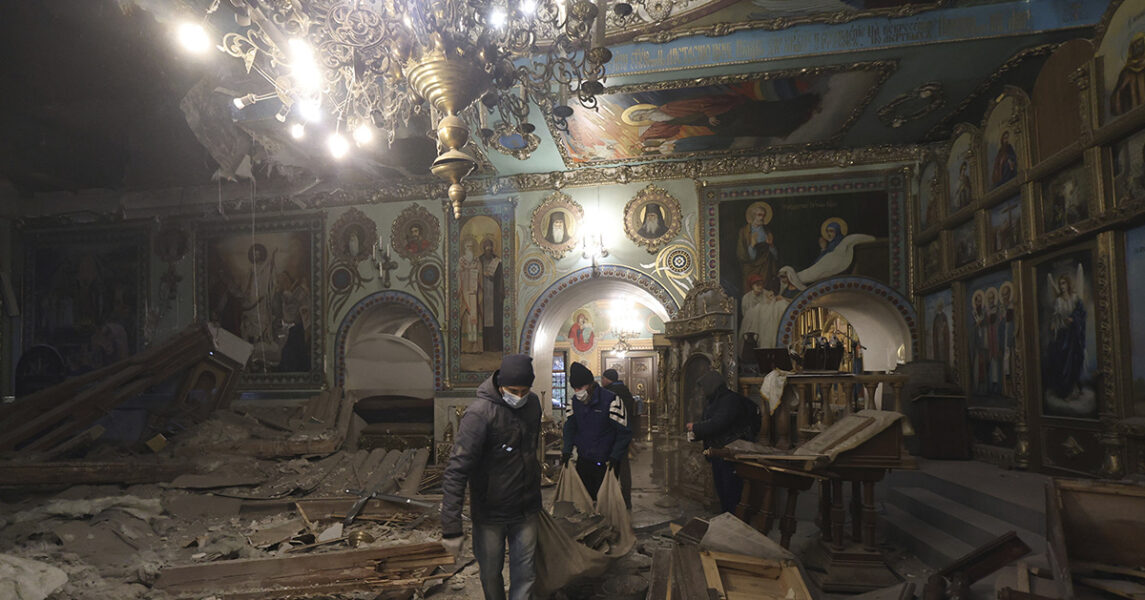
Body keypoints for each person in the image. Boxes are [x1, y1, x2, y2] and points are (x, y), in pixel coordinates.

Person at [441, 354, 542, 600]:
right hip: (490, 514)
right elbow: (457, 470)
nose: (519, 397)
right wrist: (451, 527)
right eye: (513, 390)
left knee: (526, 574)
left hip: (526, 509)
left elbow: (529, 450)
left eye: (524, 390)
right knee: (490, 573)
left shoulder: (533, 405)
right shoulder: (479, 414)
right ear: (500, 385)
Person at [562, 362, 632, 501]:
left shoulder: (611, 400)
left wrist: (615, 455)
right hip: (584, 459)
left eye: (580, 387)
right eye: (574, 388)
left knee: (605, 500)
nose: (577, 392)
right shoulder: (573, 403)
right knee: (585, 499)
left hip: (605, 460)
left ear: (590, 384)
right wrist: (566, 449)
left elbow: (624, 432)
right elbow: (570, 428)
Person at [687, 371, 753, 514]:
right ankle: (727, 519)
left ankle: (734, 522)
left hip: (730, 454)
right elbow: (710, 423)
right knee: (722, 490)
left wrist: (696, 427)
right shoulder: (714, 401)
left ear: (712, 386)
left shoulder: (730, 400)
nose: (703, 391)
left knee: (731, 491)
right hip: (718, 452)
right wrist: (696, 434)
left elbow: (719, 423)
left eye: (704, 387)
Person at [601, 368, 637, 509]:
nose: (602, 381)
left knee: (611, 467)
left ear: (607, 379)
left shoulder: (610, 393)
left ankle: (612, 499)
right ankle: (626, 500)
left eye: (603, 378)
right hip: (625, 433)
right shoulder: (625, 391)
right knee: (624, 467)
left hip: (613, 435)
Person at [736, 203, 778, 293]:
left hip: (765, 267)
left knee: (765, 290)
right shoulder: (744, 232)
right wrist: (752, 246)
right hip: (750, 268)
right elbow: (741, 254)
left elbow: (775, 256)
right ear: (753, 215)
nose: (761, 218)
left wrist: (771, 245)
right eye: (759, 215)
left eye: (763, 215)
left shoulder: (767, 231)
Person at [479, 238, 504, 352]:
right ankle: (484, 346)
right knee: (483, 320)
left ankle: (495, 346)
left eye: (490, 247)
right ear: (483, 248)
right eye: (486, 247)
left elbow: (500, 278)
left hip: (493, 295)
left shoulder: (497, 261)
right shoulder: (479, 260)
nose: (488, 249)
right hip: (482, 294)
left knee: (495, 320)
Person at [1111, 32, 1145, 116]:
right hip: (1135, 118)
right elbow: (1117, 96)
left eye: (1140, 44)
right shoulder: (1127, 72)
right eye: (1136, 45)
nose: (1138, 48)